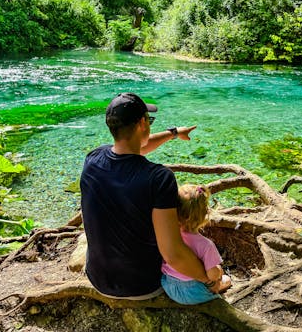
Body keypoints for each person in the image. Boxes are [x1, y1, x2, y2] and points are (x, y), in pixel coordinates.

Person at [80, 92, 221, 300]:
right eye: (149, 120)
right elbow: (172, 254)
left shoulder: (93, 158)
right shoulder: (159, 178)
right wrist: (207, 279)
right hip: (140, 285)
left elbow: (136, 147)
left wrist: (173, 133)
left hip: (98, 277)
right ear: (142, 124)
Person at [161, 184, 232, 304]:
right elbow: (212, 276)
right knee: (226, 279)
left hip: (168, 285)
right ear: (205, 214)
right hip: (193, 293)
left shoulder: (169, 234)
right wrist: (219, 271)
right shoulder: (206, 245)